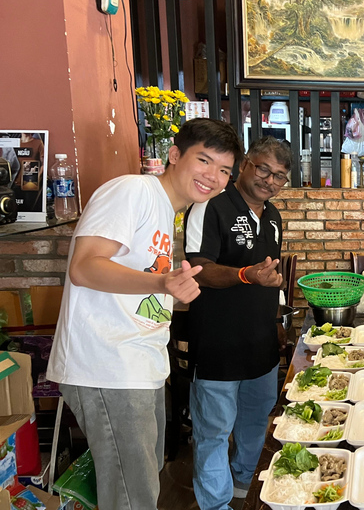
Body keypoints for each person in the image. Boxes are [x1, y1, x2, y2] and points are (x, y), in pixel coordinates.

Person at [46, 118, 242, 510]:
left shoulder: (166, 211)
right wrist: (162, 284)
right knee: (132, 496)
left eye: (224, 170)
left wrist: (169, 291)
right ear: (173, 155)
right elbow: (84, 266)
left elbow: (142, 280)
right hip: (107, 364)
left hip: (139, 364)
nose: (213, 177)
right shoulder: (133, 190)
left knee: (141, 486)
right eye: (204, 161)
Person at [184, 136, 292, 510]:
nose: (269, 180)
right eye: (263, 169)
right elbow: (197, 270)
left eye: (279, 176)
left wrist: (277, 320)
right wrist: (246, 275)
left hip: (260, 342)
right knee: (213, 431)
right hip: (217, 342)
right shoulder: (211, 205)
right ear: (245, 164)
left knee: (256, 418)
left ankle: (245, 480)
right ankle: (215, 504)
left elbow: (271, 273)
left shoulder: (274, 217)